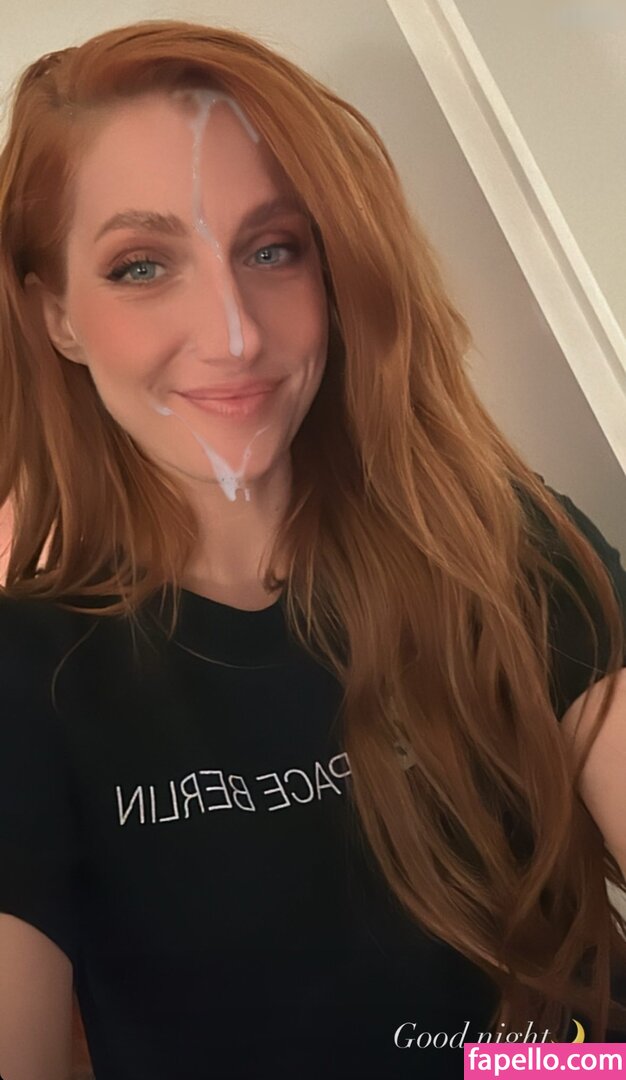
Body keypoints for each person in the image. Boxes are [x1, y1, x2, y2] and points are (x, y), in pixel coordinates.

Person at [0, 18, 625, 1080]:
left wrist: (549, 1068)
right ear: (55, 312)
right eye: (142, 265)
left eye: (272, 249)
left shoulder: (505, 550)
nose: (235, 333)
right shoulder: (27, 675)